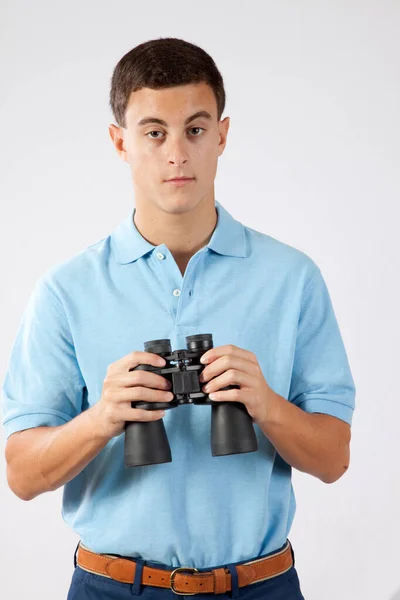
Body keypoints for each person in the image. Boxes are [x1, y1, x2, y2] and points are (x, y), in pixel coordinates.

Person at [1, 37, 356, 600]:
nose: (176, 154)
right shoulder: (66, 290)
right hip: (111, 586)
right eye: (153, 132)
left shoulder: (292, 278)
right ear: (120, 142)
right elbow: (20, 475)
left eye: (195, 129)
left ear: (223, 134)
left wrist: (264, 405)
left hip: (260, 585)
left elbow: (334, 459)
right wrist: (103, 418)